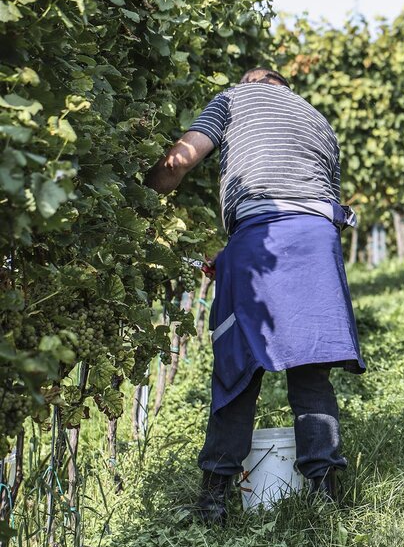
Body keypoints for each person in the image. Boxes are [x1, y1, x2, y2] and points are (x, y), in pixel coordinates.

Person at [145, 67, 364, 523]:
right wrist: (234, 253)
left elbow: (182, 160)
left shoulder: (233, 99)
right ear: (285, 89)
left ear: (250, 83)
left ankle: (213, 502)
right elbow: (311, 206)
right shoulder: (317, 119)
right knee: (310, 369)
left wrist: (143, 197)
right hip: (316, 241)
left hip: (260, 235)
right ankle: (324, 496)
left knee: (237, 368)